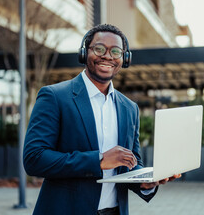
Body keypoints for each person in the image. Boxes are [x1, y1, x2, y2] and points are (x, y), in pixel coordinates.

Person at [23, 24, 179, 215]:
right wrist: (98, 160)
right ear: (84, 53)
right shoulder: (54, 97)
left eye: (116, 51)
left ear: (124, 58)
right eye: (99, 49)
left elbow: (131, 162)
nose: (107, 56)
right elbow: (34, 158)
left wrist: (145, 181)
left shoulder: (130, 108)